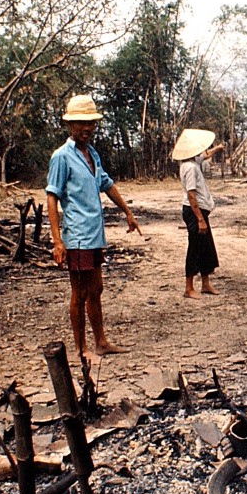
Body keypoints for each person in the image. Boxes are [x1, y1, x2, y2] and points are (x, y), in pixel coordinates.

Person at [46, 94, 140, 360]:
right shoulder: (61, 157)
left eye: (90, 123)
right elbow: (52, 197)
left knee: (96, 289)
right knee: (79, 292)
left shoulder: (93, 155)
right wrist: (57, 241)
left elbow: (106, 184)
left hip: (95, 235)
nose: (85, 128)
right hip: (76, 237)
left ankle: (101, 341)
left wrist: (127, 212)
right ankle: (81, 349)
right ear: (69, 125)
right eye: (80, 123)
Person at [173, 128, 225, 299]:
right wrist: (200, 220)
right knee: (194, 248)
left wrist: (217, 148)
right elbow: (191, 195)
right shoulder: (190, 168)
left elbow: (205, 155)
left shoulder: (192, 162)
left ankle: (205, 283)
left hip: (200, 211)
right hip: (194, 211)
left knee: (206, 247)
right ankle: (188, 287)